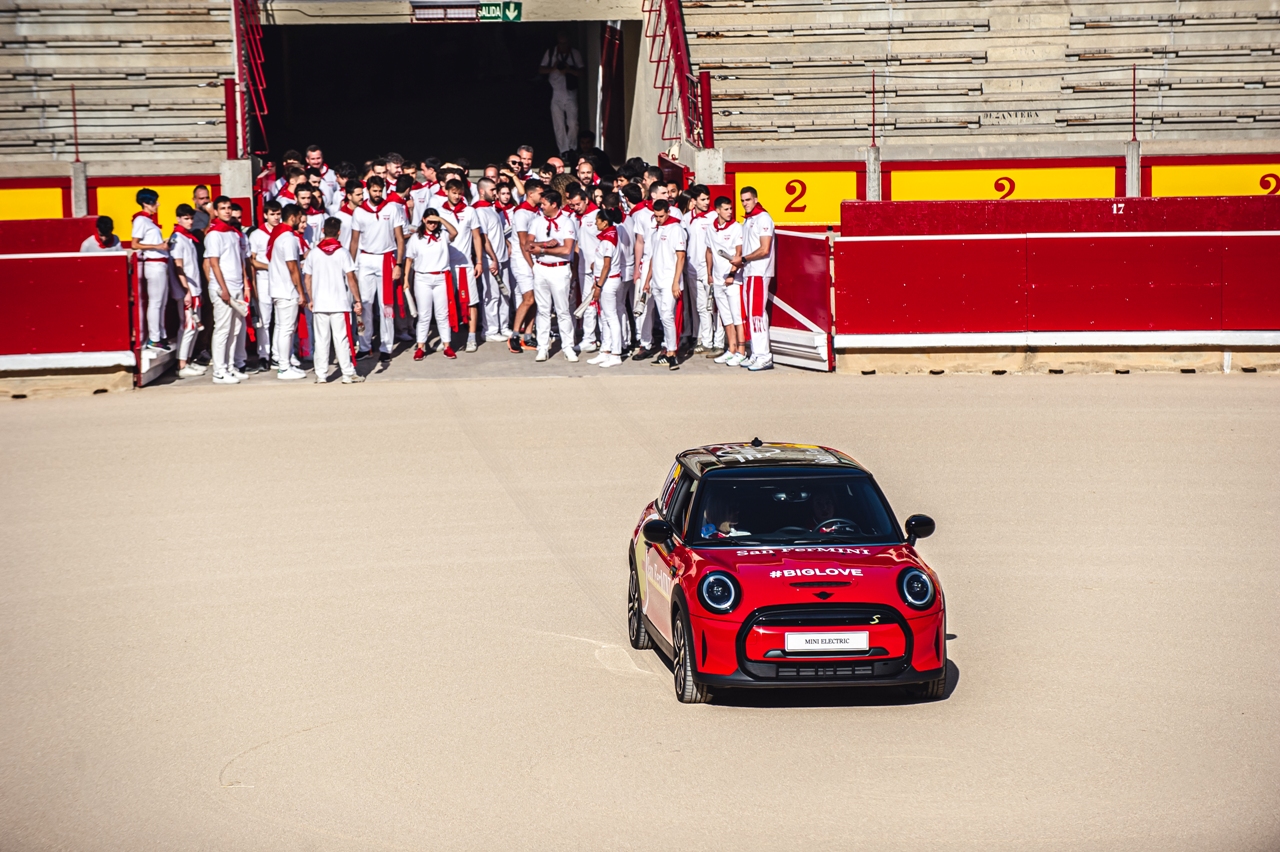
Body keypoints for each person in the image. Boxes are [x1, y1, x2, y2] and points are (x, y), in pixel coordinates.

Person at [349, 175, 405, 363]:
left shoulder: (392, 208)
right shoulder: (359, 212)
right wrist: (350, 266)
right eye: (374, 190)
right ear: (368, 191)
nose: (377, 194)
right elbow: (354, 241)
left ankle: (386, 347)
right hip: (365, 260)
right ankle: (364, 346)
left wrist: (398, 264)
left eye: (380, 190)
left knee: (386, 306)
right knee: (364, 304)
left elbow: (399, 238)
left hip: (386, 259)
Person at [304, 217, 364, 383]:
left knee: (321, 340)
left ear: (323, 231)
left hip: (320, 303)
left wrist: (311, 298)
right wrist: (357, 299)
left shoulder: (314, 253)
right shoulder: (343, 252)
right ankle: (347, 373)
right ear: (339, 232)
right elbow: (351, 277)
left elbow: (307, 278)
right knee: (341, 339)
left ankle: (321, 375)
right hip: (339, 303)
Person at [526, 188, 578, 362]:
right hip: (541, 267)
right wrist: (545, 245)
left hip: (559, 269)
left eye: (544, 204)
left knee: (563, 310)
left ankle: (568, 347)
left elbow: (567, 249)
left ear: (554, 204)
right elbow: (528, 244)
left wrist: (542, 249)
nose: (541, 206)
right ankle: (542, 347)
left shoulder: (567, 222)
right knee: (543, 310)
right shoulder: (537, 221)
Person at [203, 196, 249, 384]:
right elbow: (213, 263)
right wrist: (223, 288)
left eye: (229, 208)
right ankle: (219, 371)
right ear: (215, 211)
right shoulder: (214, 234)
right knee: (222, 329)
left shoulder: (233, 233)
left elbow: (240, 261)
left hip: (237, 285)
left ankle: (230, 366)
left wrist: (246, 284)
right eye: (222, 208)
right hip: (223, 287)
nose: (227, 211)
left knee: (235, 329)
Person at [404, 209, 460, 360]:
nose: (432, 225)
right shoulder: (416, 237)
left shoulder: (442, 235)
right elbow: (409, 259)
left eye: (435, 222)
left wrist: (441, 220)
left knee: (442, 314)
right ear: (423, 220)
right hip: (422, 278)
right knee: (424, 315)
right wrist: (405, 280)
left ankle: (447, 345)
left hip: (441, 277)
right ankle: (421, 346)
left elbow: (454, 233)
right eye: (429, 221)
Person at [437, 178, 484, 352]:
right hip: (445, 265)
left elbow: (477, 237)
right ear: (446, 192)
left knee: (471, 301)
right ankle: (446, 339)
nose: (456, 196)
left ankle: (471, 338)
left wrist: (478, 261)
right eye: (453, 192)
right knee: (445, 302)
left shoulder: (470, 211)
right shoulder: (439, 212)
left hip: (465, 264)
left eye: (459, 193)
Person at [267, 203, 309, 381]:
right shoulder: (289, 238)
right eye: (299, 217)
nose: (300, 221)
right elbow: (293, 268)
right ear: (293, 217)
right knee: (286, 329)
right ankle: (284, 367)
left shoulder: (278, 236)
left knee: (283, 328)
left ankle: (285, 363)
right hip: (286, 290)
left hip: (279, 288)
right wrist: (301, 292)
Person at [642, 198, 686, 370]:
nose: (659, 219)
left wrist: (676, 282)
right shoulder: (656, 231)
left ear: (668, 212)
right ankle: (668, 351)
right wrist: (648, 280)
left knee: (668, 316)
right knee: (663, 317)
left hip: (669, 281)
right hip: (657, 280)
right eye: (656, 216)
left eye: (661, 216)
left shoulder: (676, 229)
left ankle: (672, 352)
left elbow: (680, 257)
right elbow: (654, 256)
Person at [736, 186, 775, 371]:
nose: (745, 203)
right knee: (752, 314)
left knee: (757, 315)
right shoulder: (749, 220)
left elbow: (764, 248)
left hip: (759, 272)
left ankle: (764, 355)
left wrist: (743, 259)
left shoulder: (763, 218)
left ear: (756, 199)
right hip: (750, 272)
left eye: (748, 200)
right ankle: (756, 353)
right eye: (742, 200)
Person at [707, 195, 746, 366]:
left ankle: (742, 351)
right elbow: (709, 251)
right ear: (717, 210)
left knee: (737, 316)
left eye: (731, 209)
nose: (730, 212)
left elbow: (739, 252)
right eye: (726, 209)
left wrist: (732, 274)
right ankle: (731, 349)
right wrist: (709, 274)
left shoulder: (737, 227)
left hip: (733, 279)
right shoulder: (711, 228)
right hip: (717, 279)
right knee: (725, 317)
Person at [132, 188, 171, 352]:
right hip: (154, 263)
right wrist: (158, 246)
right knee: (156, 302)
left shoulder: (147, 221)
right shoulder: (141, 220)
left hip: (159, 263)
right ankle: (154, 338)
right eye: (155, 201)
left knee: (160, 302)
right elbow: (134, 244)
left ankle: (159, 335)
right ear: (146, 203)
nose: (158, 204)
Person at [472, 177, 512, 343]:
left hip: (501, 258)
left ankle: (503, 326)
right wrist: (493, 258)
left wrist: (507, 244)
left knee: (505, 294)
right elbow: (483, 238)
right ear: (482, 191)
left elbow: (498, 233)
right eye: (492, 191)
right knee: (491, 295)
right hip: (490, 259)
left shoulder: (492, 209)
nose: (495, 193)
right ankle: (490, 330)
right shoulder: (480, 211)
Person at [169, 204, 206, 378]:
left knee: (193, 327)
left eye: (191, 218)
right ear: (178, 219)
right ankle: (182, 364)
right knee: (188, 326)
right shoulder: (178, 238)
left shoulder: (188, 238)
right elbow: (178, 266)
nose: (190, 221)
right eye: (186, 218)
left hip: (194, 289)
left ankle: (188, 361)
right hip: (187, 290)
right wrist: (186, 291)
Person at [506, 178, 543, 353]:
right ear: (530, 193)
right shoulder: (521, 213)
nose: (542, 197)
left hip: (533, 259)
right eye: (540, 194)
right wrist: (532, 265)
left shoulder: (536, 211)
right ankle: (514, 334)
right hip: (522, 261)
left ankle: (528, 335)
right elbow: (522, 242)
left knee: (534, 299)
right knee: (528, 298)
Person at [587, 207, 625, 368]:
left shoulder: (608, 240)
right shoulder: (608, 237)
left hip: (608, 282)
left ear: (605, 222)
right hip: (606, 280)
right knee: (605, 317)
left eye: (598, 220)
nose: (595, 223)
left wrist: (598, 285)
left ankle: (616, 353)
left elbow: (607, 265)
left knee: (611, 317)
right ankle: (605, 350)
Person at [683, 184, 718, 354]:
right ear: (693, 201)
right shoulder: (686, 218)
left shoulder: (713, 217)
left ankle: (713, 340)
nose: (706, 202)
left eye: (707, 199)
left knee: (710, 306)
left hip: (707, 268)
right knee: (698, 306)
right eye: (702, 199)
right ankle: (701, 338)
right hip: (691, 267)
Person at [566, 184, 600, 352]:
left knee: (592, 303)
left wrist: (599, 262)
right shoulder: (573, 217)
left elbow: (605, 240)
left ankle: (590, 339)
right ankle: (589, 337)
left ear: (586, 200)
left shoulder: (597, 216)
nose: (576, 208)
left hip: (596, 267)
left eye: (578, 204)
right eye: (572, 205)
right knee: (586, 302)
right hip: (581, 266)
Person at [248, 201, 280, 371]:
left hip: (280, 280)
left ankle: (277, 354)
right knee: (264, 320)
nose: (276, 217)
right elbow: (252, 261)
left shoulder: (282, 232)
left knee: (281, 320)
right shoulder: (257, 235)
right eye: (272, 214)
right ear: (266, 215)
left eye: (278, 214)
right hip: (264, 280)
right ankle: (263, 355)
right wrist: (270, 266)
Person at [540, 33, 583, 153]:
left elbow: (582, 72)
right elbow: (541, 69)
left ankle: (572, 148)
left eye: (565, 43)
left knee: (573, 123)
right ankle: (563, 151)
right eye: (560, 43)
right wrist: (553, 68)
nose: (562, 46)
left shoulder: (574, 54)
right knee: (558, 124)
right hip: (555, 92)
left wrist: (569, 70)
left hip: (570, 92)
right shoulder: (551, 53)